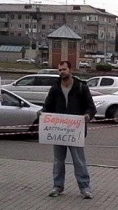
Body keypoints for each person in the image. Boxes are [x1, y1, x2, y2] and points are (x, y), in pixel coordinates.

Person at [40, 60, 96, 199]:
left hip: (75, 131)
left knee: (79, 160)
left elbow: (91, 107)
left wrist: (88, 115)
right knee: (58, 160)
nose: (62, 72)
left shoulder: (81, 87)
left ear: (70, 70)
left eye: (64, 69)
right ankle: (57, 186)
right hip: (58, 131)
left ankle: (85, 188)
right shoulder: (55, 89)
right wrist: (42, 113)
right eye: (59, 70)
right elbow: (48, 106)